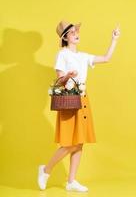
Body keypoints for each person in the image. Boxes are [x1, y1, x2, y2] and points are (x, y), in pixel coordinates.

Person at [37, 20, 120, 192]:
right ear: (65, 37)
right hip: (69, 99)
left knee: (79, 142)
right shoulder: (62, 54)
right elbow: (59, 81)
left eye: (76, 31)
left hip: (82, 99)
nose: (76, 34)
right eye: (72, 32)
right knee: (69, 143)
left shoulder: (83, 56)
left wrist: (114, 40)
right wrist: (68, 75)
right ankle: (45, 170)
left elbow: (106, 58)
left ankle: (71, 181)